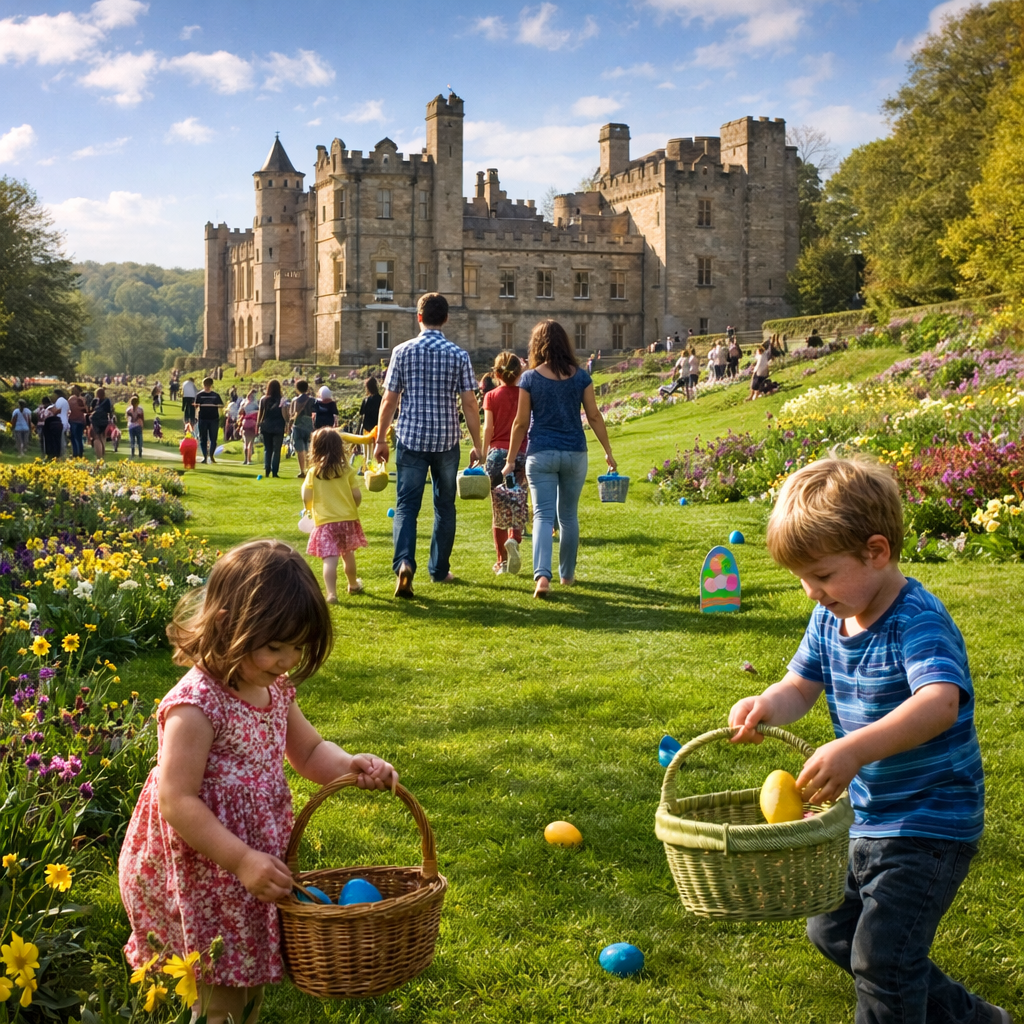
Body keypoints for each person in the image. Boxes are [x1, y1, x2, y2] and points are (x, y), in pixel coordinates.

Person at [728, 456, 1003, 1024]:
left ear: (876, 551)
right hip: (865, 818)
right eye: (802, 578)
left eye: (823, 575)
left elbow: (939, 703)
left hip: (929, 821)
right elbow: (799, 686)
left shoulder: (916, 620)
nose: (811, 592)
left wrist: (855, 749)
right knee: (831, 929)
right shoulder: (831, 618)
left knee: (881, 960)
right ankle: (973, 1018)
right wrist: (767, 705)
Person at [118, 539, 397, 1024]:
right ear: (228, 623)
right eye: (274, 646)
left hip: (250, 863)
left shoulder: (274, 689)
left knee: (247, 979)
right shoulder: (196, 704)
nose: (287, 660)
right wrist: (242, 859)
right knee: (219, 988)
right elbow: (176, 800)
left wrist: (350, 765)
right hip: (205, 865)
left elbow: (309, 751)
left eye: (297, 647)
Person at [373, 292, 482, 598]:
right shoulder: (459, 355)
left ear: (418, 317)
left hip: (411, 438)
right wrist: (478, 444)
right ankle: (439, 569)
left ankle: (405, 562)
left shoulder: (401, 351)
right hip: (446, 440)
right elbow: (470, 404)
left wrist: (380, 439)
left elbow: (389, 400)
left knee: (407, 507)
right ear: (446, 318)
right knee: (445, 507)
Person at [502, 320, 616, 599]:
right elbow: (593, 416)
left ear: (537, 346)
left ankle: (542, 576)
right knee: (568, 516)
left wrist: (510, 460)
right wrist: (608, 451)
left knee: (542, 514)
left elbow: (520, 423)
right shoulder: (581, 377)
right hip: (575, 453)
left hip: (541, 453)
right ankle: (567, 575)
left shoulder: (529, 378)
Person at [302, 428, 368, 600]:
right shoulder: (347, 470)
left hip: (325, 521)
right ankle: (353, 584)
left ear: (315, 448)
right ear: (339, 447)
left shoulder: (314, 472)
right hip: (347, 520)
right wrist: (354, 506)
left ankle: (331, 593)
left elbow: (306, 495)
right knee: (348, 555)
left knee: (330, 559)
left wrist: (308, 509)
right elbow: (357, 495)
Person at [482, 350, 528, 575]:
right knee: (518, 500)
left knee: (499, 509)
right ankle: (515, 538)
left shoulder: (491, 396)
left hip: (497, 455)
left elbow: (488, 428)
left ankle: (501, 562)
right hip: (521, 453)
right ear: (519, 372)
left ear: (497, 374)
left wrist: (483, 453)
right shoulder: (526, 394)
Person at [256, 380, 287, 478]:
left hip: (266, 425)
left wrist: (258, 425)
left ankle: (267, 469)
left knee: (267, 449)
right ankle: (275, 471)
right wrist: (287, 424)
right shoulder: (282, 400)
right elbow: (284, 414)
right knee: (276, 450)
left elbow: (260, 413)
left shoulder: (263, 399)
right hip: (278, 426)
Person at [290, 380, 316, 478]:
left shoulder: (295, 400)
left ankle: (302, 470)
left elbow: (292, 414)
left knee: (300, 449)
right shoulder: (312, 400)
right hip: (309, 424)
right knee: (309, 448)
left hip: (298, 425)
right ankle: (309, 469)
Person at [196, 377, 224, 464]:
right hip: (203, 418)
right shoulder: (199, 395)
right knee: (203, 439)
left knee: (213, 439)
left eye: (208, 385)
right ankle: (205, 456)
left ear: (211, 385)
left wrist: (214, 406)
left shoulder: (215, 395)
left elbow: (221, 405)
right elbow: (196, 407)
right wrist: (196, 417)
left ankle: (211, 456)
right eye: (206, 385)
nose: (207, 386)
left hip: (213, 419)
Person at [89, 388, 113, 459]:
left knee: (96, 437)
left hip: (95, 420)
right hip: (104, 420)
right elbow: (109, 411)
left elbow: (91, 409)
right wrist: (111, 420)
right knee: (103, 437)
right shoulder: (107, 400)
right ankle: (102, 453)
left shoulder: (94, 400)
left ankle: (98, 455)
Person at [240, 389, 259, 465]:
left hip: (245, 422)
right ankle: (249, 460)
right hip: (253, 423)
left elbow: (240, 412)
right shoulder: (256, 404)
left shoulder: (244, 403)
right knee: (251, 443)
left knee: (246, 442)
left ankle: (245, 459)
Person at [68, 385, 88, 457]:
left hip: (74, 420)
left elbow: (69, 409)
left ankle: (76, 453)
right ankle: (79, 453)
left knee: (74, 437)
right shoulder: (81, 399)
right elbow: (85, 409)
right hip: (79, 420)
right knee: (78, 437)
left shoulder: (72, 399)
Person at [52, 388, 70, 457]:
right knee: (62, 439)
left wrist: (51, 411)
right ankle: (63, 454)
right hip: (65, 421)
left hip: (60, 421)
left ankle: (61, 454)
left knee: (60, 440)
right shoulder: (65, 401)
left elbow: (57, 411)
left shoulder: (60, 400)